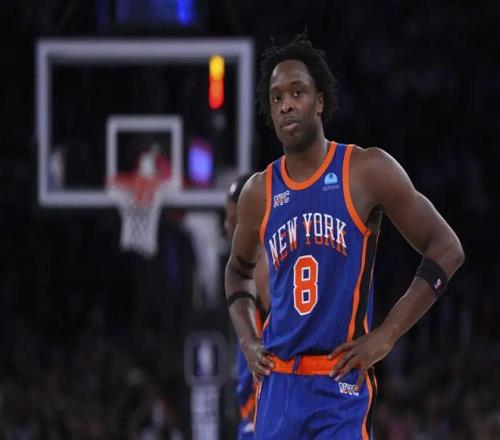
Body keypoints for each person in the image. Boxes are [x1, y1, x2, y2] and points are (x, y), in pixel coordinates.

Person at [225, 33, 465, 439]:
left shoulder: (365, 170)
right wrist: (248, 340)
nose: (286, 104)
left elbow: (446, 249)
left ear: (320, 101)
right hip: (278, 385)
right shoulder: (259, 192)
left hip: (338, 384)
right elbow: (237, 271)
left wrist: (386, 335)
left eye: (297, 92)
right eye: (276, 97)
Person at [225, 175, 270, 439]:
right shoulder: (246, 273)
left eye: (233, 220)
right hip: (254, 418)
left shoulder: (265, 269)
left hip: (268, 418)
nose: (226, 225)